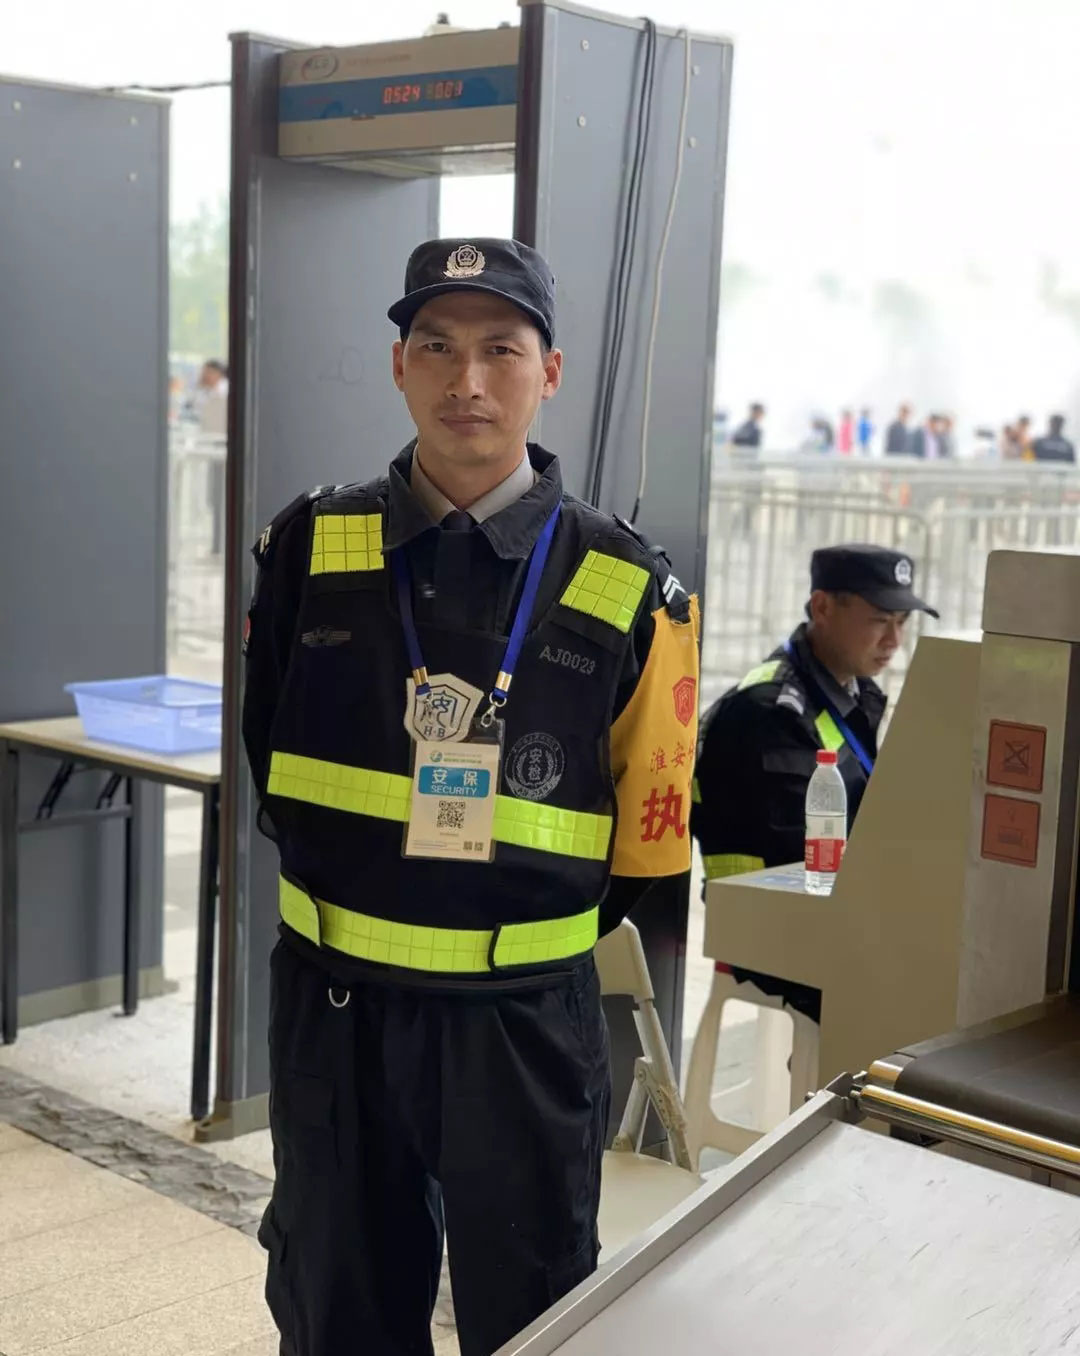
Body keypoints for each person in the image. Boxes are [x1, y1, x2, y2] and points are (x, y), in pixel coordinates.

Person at [243, 237, 700, 1356]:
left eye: (502, 349)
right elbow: (270, 757)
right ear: (399, 366)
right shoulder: (308, 546)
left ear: (550, 374)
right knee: (337, 1303)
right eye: (438, 347)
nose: (469, 381)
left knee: (534, 1312)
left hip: (521, 1022)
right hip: (335, 1009)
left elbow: (648, 849)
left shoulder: (633, 585)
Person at [690, 545, 937, 1019]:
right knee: (921, 984)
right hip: (769, 922)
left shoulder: (851, 693)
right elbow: (799, 858)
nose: (894, 640)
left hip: (824, 909)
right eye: (880, 621)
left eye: (902, 623)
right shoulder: (770, 711)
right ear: (822, 607)